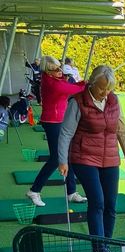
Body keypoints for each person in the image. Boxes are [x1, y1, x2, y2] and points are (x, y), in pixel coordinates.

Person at [57, 65, 125, 252]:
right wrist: (62, 160)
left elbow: (122, 129)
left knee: (110, 205)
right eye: (101, 88)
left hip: (109, 158)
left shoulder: (114, 101)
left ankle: (104, 244)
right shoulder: (77, 102)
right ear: (91, 83)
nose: (105, 93)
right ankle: (101, 249)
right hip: (84, 158)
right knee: (97, 202)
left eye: (109, 89)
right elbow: (65, 133)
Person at [27, 55, 85, 208]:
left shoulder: (56, 80)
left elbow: (74, 85)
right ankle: (34, 190)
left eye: (60, 67)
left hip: (60, 120)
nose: (60, 71)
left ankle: (71, 192)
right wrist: (88, 84)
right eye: (56, 69)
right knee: (56, 158)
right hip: (52, 122)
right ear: (48, 71)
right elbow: (73, 89)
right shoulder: (52, 83)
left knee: (68, 155)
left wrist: (84, 82)